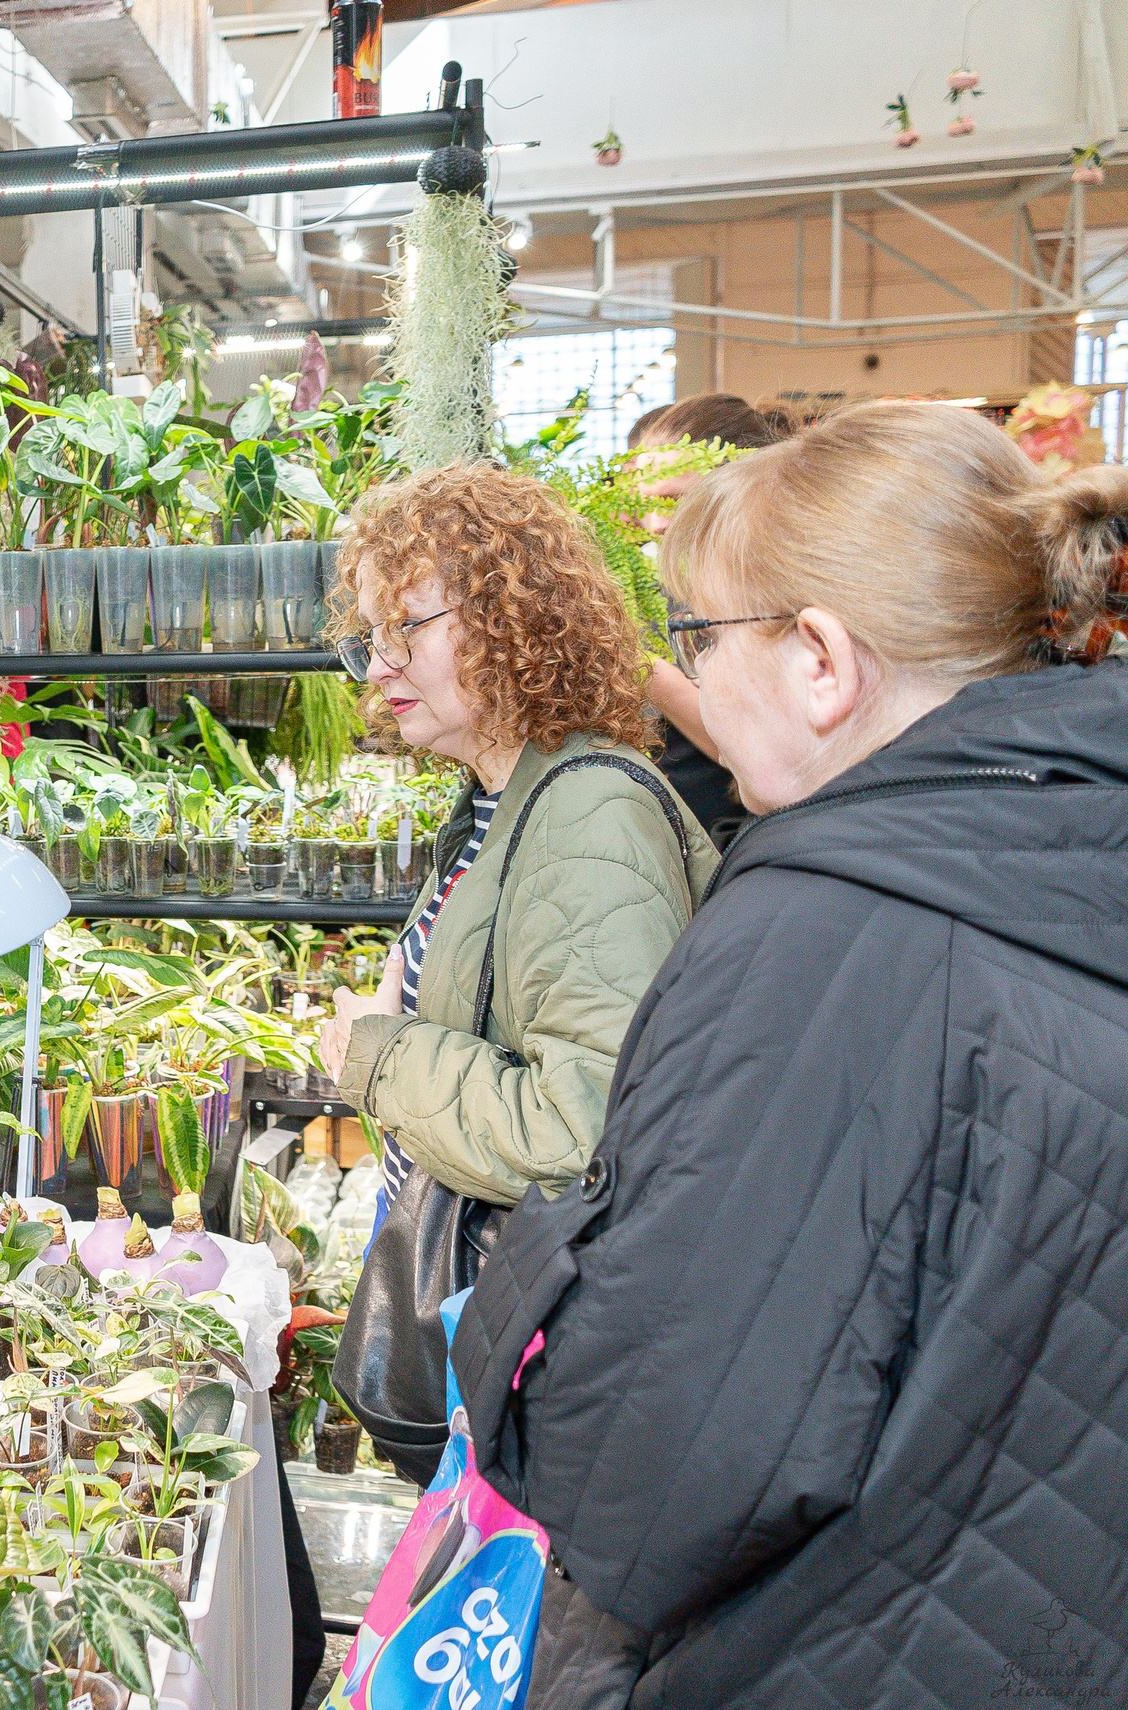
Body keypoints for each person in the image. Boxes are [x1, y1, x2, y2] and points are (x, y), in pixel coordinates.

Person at [454, 404, 1128, 1707]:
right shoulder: (1068, 857)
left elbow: (652, 1482)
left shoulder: (824, 927)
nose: (688, 682)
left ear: (821, 658)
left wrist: (530, 1285)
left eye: (700, 637)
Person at [315, 463, 718, 1210]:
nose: (376, 665)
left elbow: (584, 1135)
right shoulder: (505, 801)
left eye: (405, 626)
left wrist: (381, 1053)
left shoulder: (590, 820)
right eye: (370, 637)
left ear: (510, 619)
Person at [629, 393, 786, 850]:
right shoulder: (677, 587)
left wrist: (636, 663)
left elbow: (741, 744)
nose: (656, 523)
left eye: (675, 499)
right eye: (647, 503)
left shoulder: (768, 598)